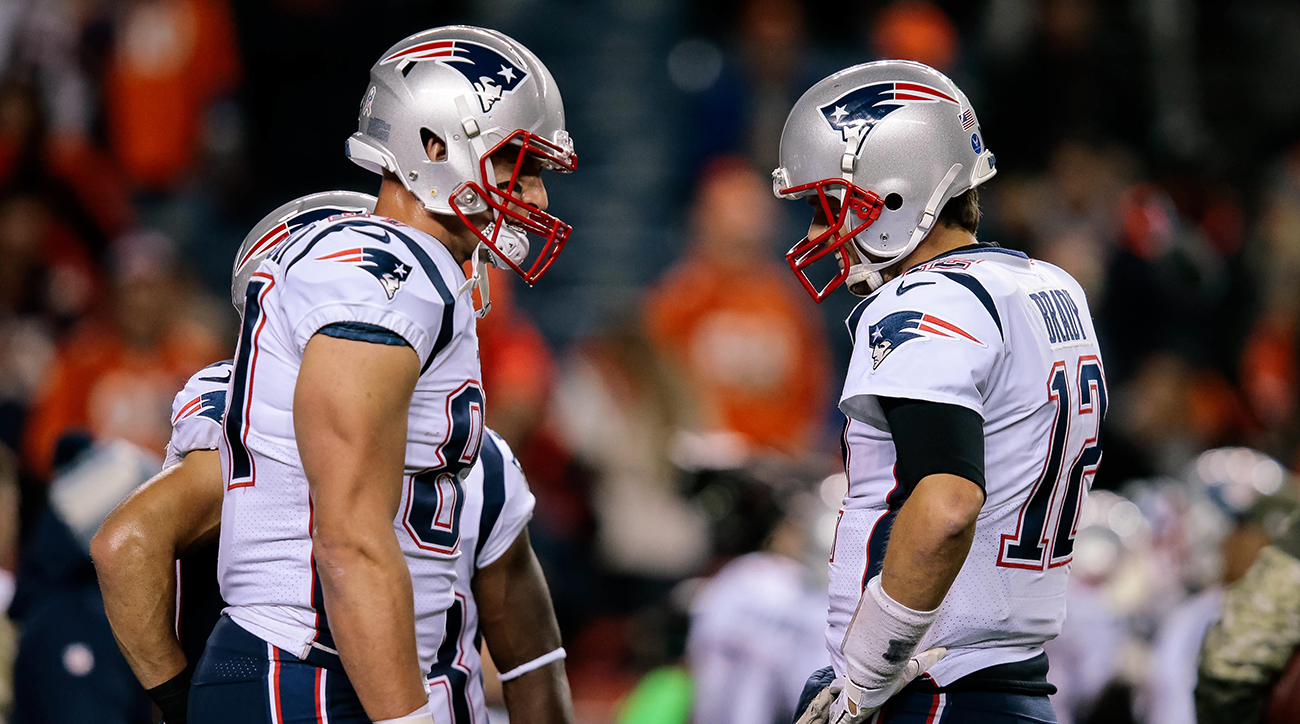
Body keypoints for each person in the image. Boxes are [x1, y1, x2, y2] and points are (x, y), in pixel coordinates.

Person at [197, 26, 572, 724]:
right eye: (515, 164)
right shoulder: (384, 275)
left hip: (339, 670)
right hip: (313, 674)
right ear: (433, 147)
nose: (538, 197)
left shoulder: (414, 272)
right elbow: (348, 540)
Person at [94, 189, 572, 724]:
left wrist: (182, 702)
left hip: (311, 687)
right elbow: (534, 660)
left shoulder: (253, 435)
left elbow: (125, 544)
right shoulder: (474, 447)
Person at [773, 61, 1103, 723]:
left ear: (895, 195)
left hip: (929, 691)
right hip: (1013, 685)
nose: (815, 235)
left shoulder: (926, 301)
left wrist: (861, 681)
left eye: (824, 207)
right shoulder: (1051, 289)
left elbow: (948, 504)